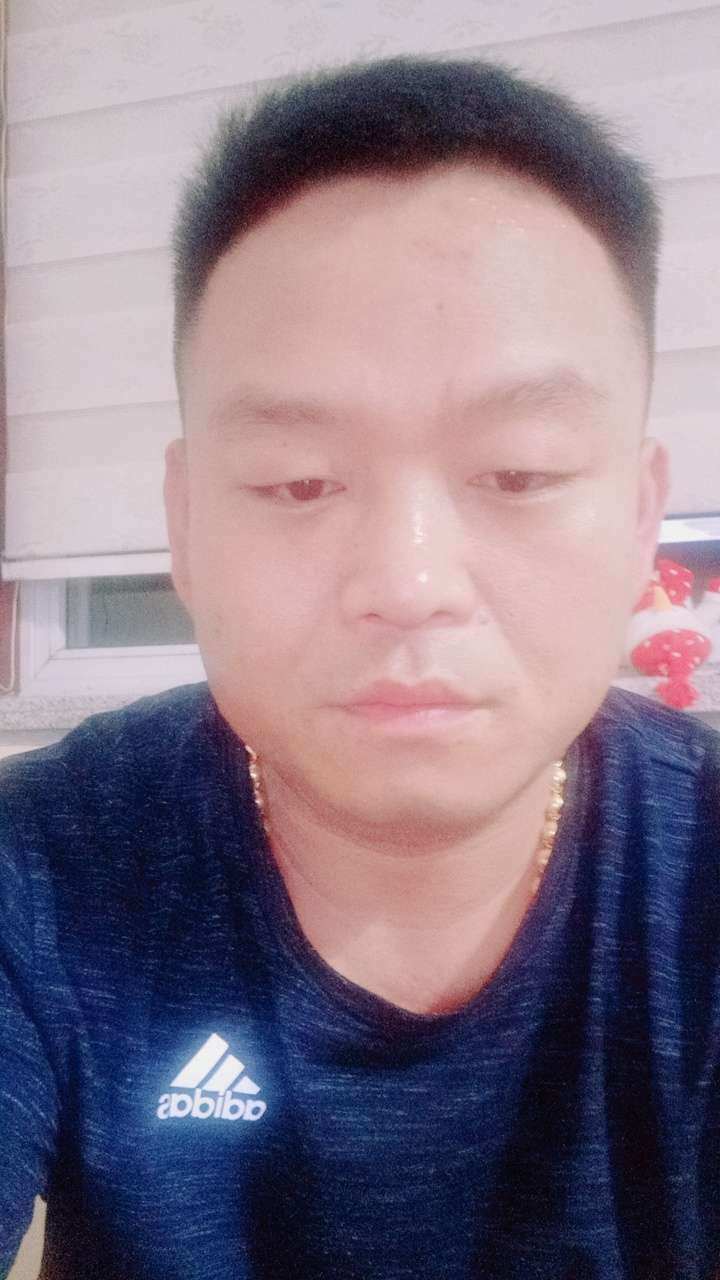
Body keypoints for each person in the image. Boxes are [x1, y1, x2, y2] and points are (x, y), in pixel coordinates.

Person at [1, 54, 718, 1280]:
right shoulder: (42, 871)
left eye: (520, 472)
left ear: (644, 515)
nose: (409, 578)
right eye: (299, 483)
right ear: (184, 522)